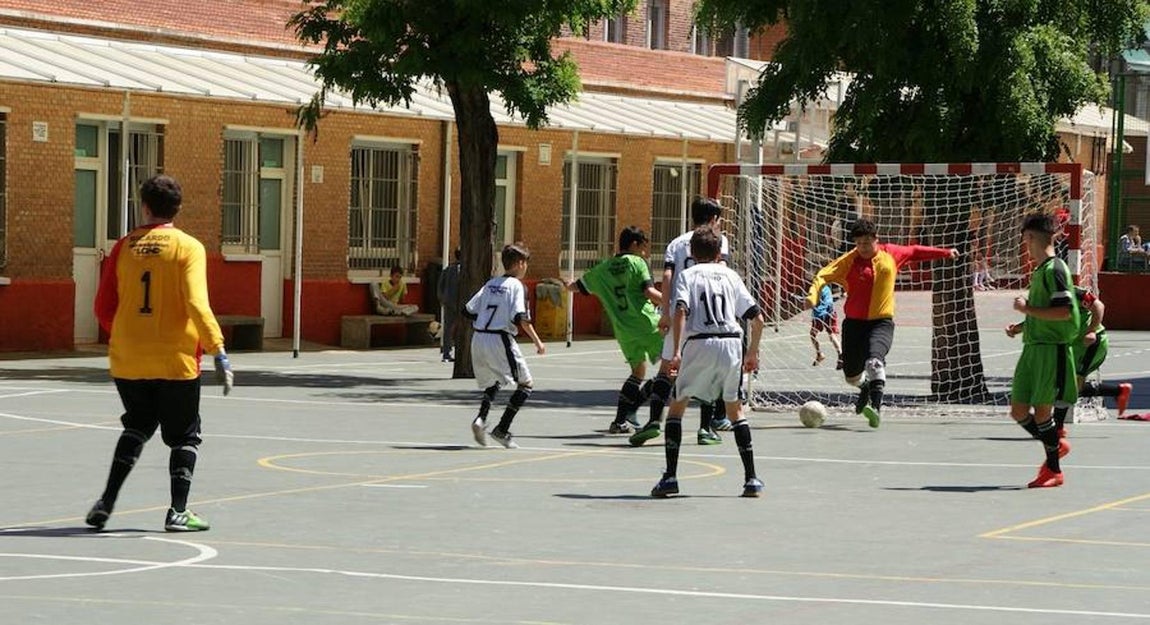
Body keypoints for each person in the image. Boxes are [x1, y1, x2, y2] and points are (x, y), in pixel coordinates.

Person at [86, 174, 233, 532]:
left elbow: (103, 308)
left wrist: (128, 335)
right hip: (175, 359)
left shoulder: (123, 246)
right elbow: (197, 304)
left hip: (128, 360)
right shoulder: (188, 247)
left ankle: (106, 501)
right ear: (177, 209)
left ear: (145, 207)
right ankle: (178, 512)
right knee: (184, 436)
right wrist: (218, 351)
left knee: (137, 425)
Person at [805, 218, 958, 428]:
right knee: (851, 376)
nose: (863, 248)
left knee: (875, 362)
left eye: (867, 243)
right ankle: (864, 387)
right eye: (858, 244)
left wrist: (944, 252)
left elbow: (914, 251)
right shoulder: (849, 260)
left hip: (881, 323)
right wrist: (813, 297)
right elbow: (822, 275)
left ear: (876, 239)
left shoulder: (890, 254)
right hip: (853, 325)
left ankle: (875, 408)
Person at [650, 226, 766, 498]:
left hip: (699, 343)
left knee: (677, 406)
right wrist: (753, 352)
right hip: (731, 343)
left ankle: (670, 477)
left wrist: (676, 350)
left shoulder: (687, 275)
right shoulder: (731, 275)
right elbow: (757, 318)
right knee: (735, 410)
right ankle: (751, 478)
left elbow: (680, 310)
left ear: (691, 252)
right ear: (719, 253)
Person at [630, 197, 731, 448]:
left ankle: (654, 421)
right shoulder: (719, 240)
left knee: (666, 370)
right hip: (707, 313)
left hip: (679, 313)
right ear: (713, 219)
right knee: (709, 372)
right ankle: (705, 429)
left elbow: (666, 275)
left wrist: (665, 311)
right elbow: (722, 273)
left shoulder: (676, 242)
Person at [1004, 213, 1079, 487]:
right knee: (1019, 411)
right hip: (1032, 348)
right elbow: (1046, 311)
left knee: (1044, 412)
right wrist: (1023, 325)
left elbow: (1064, 312)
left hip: (1051, 351)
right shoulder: (1040, 271)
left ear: (1029, 237)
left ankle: (1054, 469)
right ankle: (1054, 446)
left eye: (1024, 238)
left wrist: (1027, 308)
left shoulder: (1056, 268)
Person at [566, 226, 663, 434]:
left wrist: (568, 284)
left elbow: (576, 287)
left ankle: (619, 421)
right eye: (643, 248)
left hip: (623, 331)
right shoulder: (637, 263)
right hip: (648, 325)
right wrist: (673, 304)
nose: (645, 253)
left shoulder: (603, 268)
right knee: (673, 368)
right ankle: (637, 405)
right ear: (634, 245)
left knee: (638, 372)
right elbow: (649, 291)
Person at [1009, 286, 1133, 436]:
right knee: (1067, 384)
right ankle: (1118, 391)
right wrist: (1016, 329)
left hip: (1091, 344)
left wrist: (1092, 330)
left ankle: (1058, 429)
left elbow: (1098, 305)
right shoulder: (1044, 298)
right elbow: (1041, 319)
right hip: (1075, 346)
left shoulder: (1073, 292)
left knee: (1068, 384)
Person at [466, 244, 546, 449]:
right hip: (499, 339)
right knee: (526, 384)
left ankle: (481, 419)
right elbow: (521, 317)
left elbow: (468, 310)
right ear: (520, 264)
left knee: (495, 380)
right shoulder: (517, 286)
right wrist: (538, 341)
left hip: (479, 337)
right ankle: (502, 429)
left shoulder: (491, 283)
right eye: (526, 263)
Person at [437, 248, 462, 362]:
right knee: (449, 328)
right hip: (451, 303)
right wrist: (443, 299)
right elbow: (441, 285)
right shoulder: (450, 270)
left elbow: (440, 285)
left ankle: (455, 352)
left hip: (459, 303)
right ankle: (446, 352)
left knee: (455, 328)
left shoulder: (449, 269)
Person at [810, 284, 842, 368]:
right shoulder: (820, 287)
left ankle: (838, 355)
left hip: (823, 314)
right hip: (824, 314)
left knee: (827, 335)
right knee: (817, 335)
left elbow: (826, 303)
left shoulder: (820, 288)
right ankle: (821, 354)